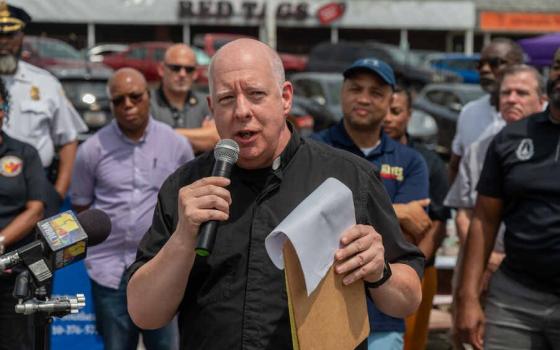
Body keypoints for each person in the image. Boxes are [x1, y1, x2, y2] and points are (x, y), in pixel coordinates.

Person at [126, 39, 424, 350]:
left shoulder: (348, 178)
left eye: (256, 95)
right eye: (227, 99)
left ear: (285, 98)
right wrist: (183, 238)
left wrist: (380, 272)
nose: (242, 111)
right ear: (212, 109)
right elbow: (145, 314)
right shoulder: (186, 187)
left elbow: (407, 299)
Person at [70, 68, 194, 350]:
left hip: (162, 266)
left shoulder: (176, 145)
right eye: (118, 100)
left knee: (165, 346)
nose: (127, 105)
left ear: (148, 97)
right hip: (109, 269)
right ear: (111, 104)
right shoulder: (91, 149)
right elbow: (82, 205)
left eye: (135, 97)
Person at [311, 58, 430, 349]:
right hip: (318, 308)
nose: (363, 98)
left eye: (376, 92)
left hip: (383, 315)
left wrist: (337, 213)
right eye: (356, 89)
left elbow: (409, 233)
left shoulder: (411, 161)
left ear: (391, 101)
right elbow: (307, 220)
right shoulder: (311, 149)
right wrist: (397, 211)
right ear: (342, 92)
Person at [453, 66, 560, 350]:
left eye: (521, 92)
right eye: (558, 67)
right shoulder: (511, 138)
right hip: (515, 298)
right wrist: (468, 296)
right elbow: (484, 219)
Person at [446, 65, 546, 297]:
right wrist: (487, 258)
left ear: (542, 101)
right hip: (478, 270)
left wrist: (508, 262)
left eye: (521, 93)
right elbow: (465, 214)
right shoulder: (477, 150)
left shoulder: (553, 151)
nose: (511, 99)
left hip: (534, 277)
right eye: (505, 93)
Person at [0, 2, 87, 215]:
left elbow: (67, 139)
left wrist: (58, 191)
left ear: (22, 36)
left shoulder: (45, 83)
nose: (3, 42)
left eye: (10, 35)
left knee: (38, 248)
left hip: (38, 188)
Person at [383, 86, 451, 350]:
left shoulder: (428, 162)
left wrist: (413, 268)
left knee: (411, 343)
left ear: (409, 115)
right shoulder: (361, 158)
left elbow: (437, 223)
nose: (388, 117)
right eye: (385, 110)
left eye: (396, 111)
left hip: (418, 269)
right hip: (371, 271)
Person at [448, 38, 525, 251]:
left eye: (494, 62)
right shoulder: (469, 112)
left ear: (518, 65)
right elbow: (455, 165)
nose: (484, 69)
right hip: (475, 242)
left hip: (527, 249)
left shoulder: (541, 111)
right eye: (480, 64)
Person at [0, 77, 48, 350]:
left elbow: (35, 208)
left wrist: (1, 241)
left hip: (12, 275)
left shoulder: (25, 153)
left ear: (5, 109)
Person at [150, 43, 219, 153]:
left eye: (189, 69)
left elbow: (217, 138)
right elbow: (148, 142)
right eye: (175, 68)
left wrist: (163, 135)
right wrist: (201, 136)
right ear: (161, 69)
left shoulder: (207, 103)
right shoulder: (147, 103)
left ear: (195, 73)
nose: (182, 74)